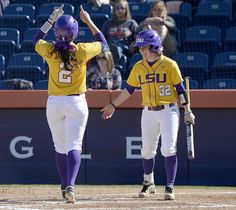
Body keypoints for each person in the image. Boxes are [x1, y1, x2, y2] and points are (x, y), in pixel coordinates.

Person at [101, 29, 195, 200]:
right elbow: (129, 90)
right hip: (149, 111)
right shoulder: (138, 67)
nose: (141, 50)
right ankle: (148, 183)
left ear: (155, 45)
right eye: (140, 47)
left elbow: (180, 90)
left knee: (168, 148)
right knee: (146, 151)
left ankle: (170, 186)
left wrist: (187, 110)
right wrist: (113, 104)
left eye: (145, 47)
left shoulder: (170, 64)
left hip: (169, 110)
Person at [33, 5, 108, 204]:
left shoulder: (49, 50)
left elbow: (35, 40)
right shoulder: (82, 50)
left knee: (60, 147)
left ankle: (64, 183)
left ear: (57, 32)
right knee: (74, 146)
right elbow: (103, 43)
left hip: (55, 102)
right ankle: (71, 186)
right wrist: (89, 21)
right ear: (74, 33)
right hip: (76, 102)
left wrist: (50, 19)